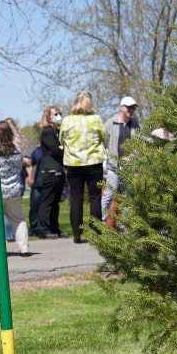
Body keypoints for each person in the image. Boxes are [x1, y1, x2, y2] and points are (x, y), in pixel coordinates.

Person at [60, 90, 108, 243]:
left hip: (73, 164)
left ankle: (77, 234)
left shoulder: (67, 121)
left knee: (76, 198)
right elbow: (105, 138)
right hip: (94, 162)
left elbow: (62, 140)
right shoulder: (96, 119)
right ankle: (96, 231)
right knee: (95, 198)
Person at [0, 119, 30, 255]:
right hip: (13, 190)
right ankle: (24, 247)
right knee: (18, 219)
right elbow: (19, 167)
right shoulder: (17, 151)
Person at [101, 95, 140, 221]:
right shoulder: (110, 123)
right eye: (128, 107)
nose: (130, 110)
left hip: (130, 169)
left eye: (133, 108)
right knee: (109, 195)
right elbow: (102, 141)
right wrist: (107, 158)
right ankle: (101, 223)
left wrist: (131, 157)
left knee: (128, 198)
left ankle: (125, 226)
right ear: (121, 107)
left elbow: (139, 145)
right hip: (113, 168)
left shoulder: (136, 125)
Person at [35, 104, 65, 238]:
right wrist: (61, 148)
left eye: (59, 113)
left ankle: (55, 228)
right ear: (48, 117)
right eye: (55, 114)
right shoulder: (47, 132)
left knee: (55, 203)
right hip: (50, 170)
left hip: (59, 169)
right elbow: (55, 150)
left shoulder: (58, 132)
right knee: (47, 202)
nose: (59, 116)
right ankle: (44, 230)